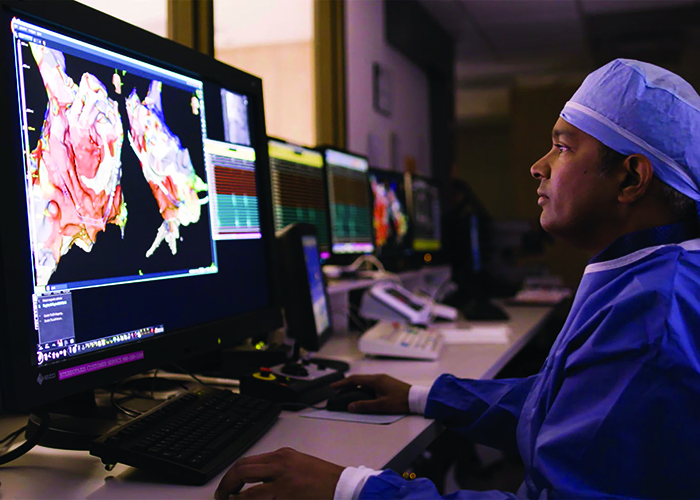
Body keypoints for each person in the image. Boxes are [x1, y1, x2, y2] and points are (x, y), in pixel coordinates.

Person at [214, 59, 700, 499]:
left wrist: (352, 488)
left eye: (561, 147)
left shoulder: (652, 320)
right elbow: (556, 406)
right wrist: (421, 396)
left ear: (632, 178)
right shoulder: (648, 279)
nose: (538, 166)